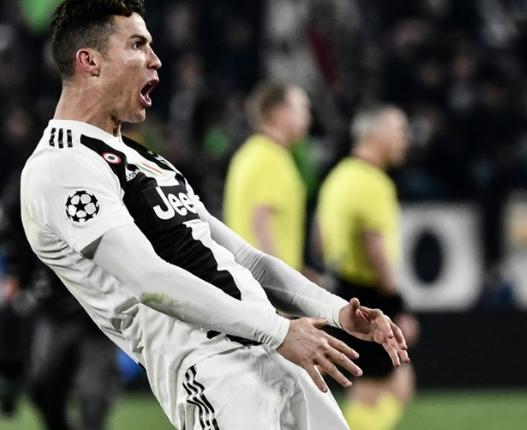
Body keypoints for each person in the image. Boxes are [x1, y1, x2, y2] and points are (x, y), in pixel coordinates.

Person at [20, 2, 409, 429]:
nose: (156, 59)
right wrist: (278, 331)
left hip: (276, 348)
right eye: (137, 45)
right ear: (89, 62)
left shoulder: (147, 160)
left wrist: (338, 313)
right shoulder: (61, 165)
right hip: (210, 367)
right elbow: (150, 280)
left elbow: (247, 260)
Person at [315, 106, 419, 430]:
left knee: (370, 390)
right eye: (400, 130)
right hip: (368, 299)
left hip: (342, 292)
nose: (406, 139)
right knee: (389, 387)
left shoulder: (337, 177)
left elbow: (320, 239)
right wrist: (396, 306)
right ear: (375, 134)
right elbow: (374, 246)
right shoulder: (372, 182)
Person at [1, 172, 120, 430]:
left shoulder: (105, 181)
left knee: (93, 396)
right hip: (54, 309)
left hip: (100, 314)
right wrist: (17, 274)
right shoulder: (32, 185)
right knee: (43, 386)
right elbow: (16, 231)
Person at [224, 82, 311, 271]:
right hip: (266, 286)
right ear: (279, 113)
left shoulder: (248, 152)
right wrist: (282, 283)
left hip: (247, 275)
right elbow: (260, 221)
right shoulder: (272, 158)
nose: (308, 117)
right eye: (302, 109)